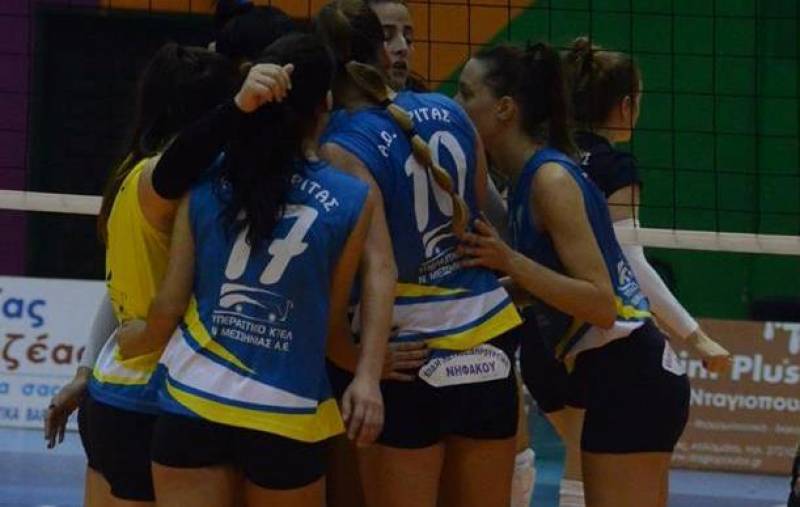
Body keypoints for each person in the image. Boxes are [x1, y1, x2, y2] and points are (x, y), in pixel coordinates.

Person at [116, 32, 384, 507]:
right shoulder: (351, 198)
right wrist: (371, 370)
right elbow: (328, 327)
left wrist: (132, 340)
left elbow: (170, 302)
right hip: (286, 412)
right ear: (325, 103)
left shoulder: (206, 178)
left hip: (192, 403)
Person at [455, 42, 690, 507]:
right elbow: (546, 284)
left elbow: (600, 304)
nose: (456, 104)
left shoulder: (551, 179)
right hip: (608, 376)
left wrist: (510, 262)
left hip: (633, 375)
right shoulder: (526, 177)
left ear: (504, 109)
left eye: (466, 93)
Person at [317, 2, 523, 506]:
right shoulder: (451, 111)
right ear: (380, 53)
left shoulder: (341, 143)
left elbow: (377, 265)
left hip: (406, 351)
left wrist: (362, 367)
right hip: (488, 338)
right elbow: (479, 210)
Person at [43, 43, 239, 506]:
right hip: (156, 399)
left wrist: (84, 370)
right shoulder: (163, 180)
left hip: (109, 389)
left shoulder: (128, 170)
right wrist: (243, 104)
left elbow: (116, 292)